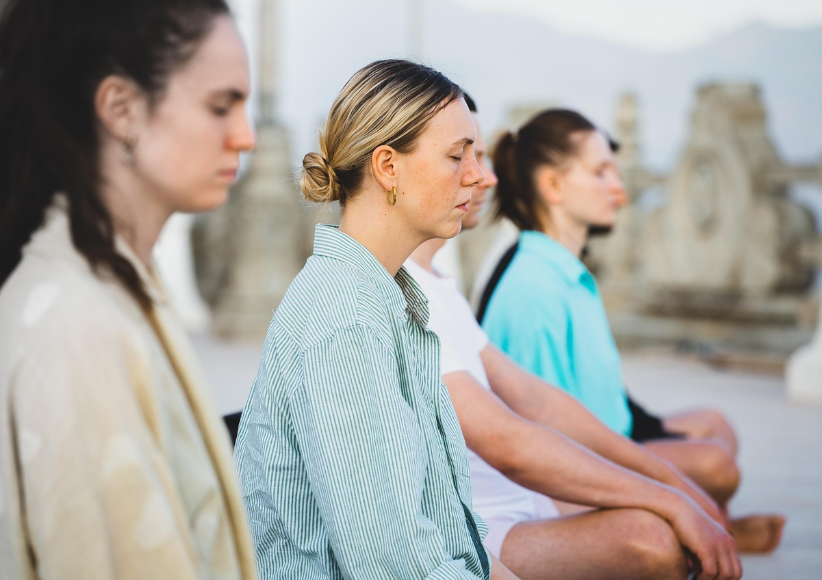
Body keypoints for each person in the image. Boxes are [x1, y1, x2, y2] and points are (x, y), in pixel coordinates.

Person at [407, 95, 741, 580]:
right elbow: (512, 440)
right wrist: (667, 495)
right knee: (655, 539)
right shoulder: (429, 292)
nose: (485, 177)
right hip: (478, 527)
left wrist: (671, 488)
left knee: (694, 469)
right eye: (460, 156)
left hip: (517, 501)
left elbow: (541, 403)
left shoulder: (438, 288)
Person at [0, 0, 258, 578]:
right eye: (221, 106)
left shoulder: (111, 287)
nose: (246, 138)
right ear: (121, 108)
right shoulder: (75, 327)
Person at [234, 60, 517, 580]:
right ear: (388, 167)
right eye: (457, 155)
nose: (477, 176)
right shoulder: (345, 323)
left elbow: (454, 535)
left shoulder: (385, 303)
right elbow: (394, 567)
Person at [479, 108, 784, 553]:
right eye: (602, 172)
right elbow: (542, 429)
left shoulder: (562, 269)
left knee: (716, 424)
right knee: (717, 465)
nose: (620, 190)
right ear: (554, 186)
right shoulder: (534, 289)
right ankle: (713, 525)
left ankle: (714, 522)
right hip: (581, 457)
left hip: (614, 432)